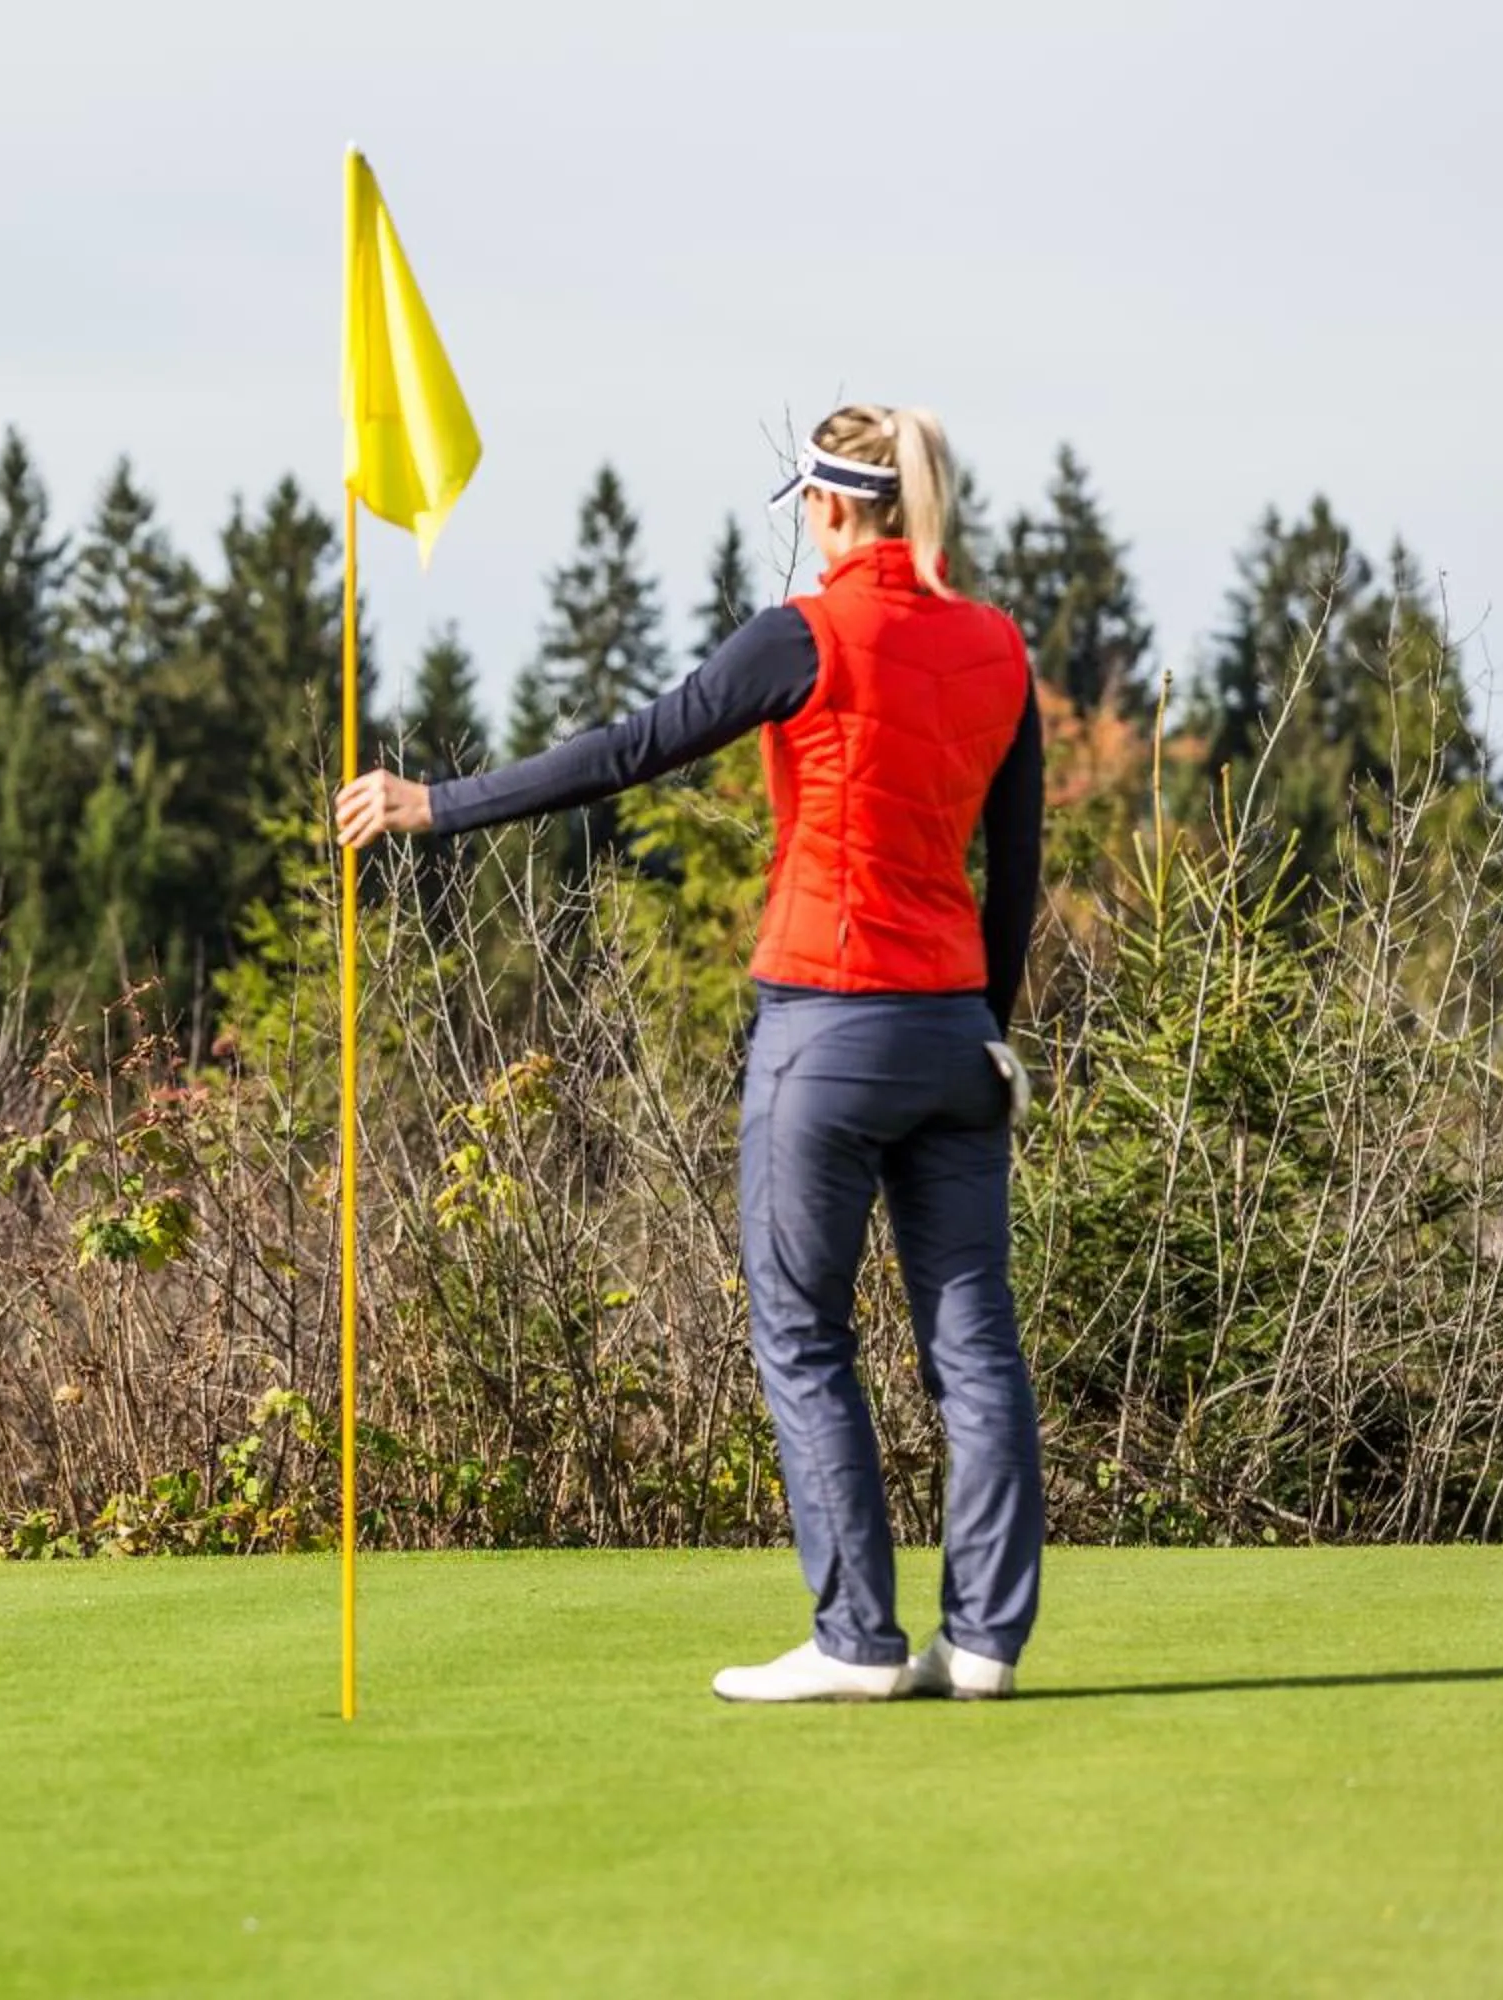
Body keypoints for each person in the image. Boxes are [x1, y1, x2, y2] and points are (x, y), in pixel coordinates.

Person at [334, 405, 1047, 1702]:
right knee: (976, 1346)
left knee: (804, 1335)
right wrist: (990, 1026)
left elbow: (631, 750)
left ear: (834, 507)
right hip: (953, 1032)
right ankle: (987, 1643)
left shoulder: (807, 635)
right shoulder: (999, 644)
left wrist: (435, 806)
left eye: (806, 506)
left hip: (826, 1029)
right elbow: (1018, 873)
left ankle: (858, 1644)